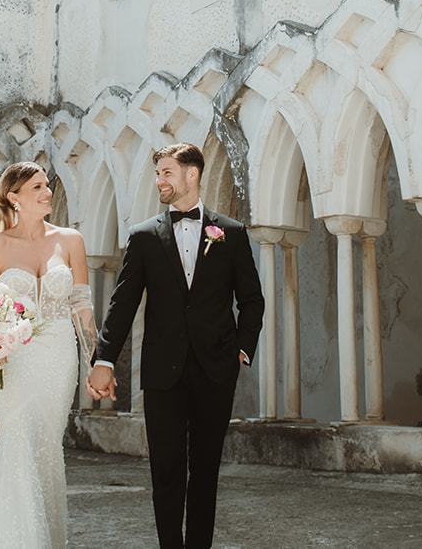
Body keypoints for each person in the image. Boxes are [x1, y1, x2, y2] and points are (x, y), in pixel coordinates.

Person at [86, 143, 264, 549]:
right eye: (157, 174)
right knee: (166, 472)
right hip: (163, 371)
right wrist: (105, 360)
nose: (159, 181)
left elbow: (252, 299)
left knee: (205, 471)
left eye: (166, 172)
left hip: (216, 369)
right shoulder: (145, 236)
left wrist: (242, 348)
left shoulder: (231, 234)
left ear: (192, 175)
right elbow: (122, 302)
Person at [0, 162, 95, 549]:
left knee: (47, 444)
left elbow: (82, 306)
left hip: (59, 356)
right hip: (13, 359)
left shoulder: (70, 240)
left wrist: (94, 361)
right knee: (17, 441)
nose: (47, 192)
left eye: (47, 185)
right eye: (37, 187)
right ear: (13, 196)